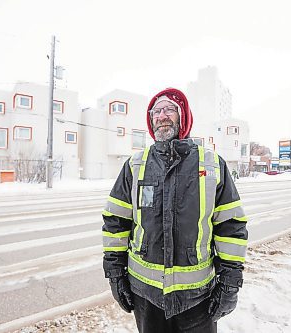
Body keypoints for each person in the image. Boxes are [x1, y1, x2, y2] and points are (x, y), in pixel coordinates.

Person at [102, 88, 248, 333]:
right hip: (146, 296)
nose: (161, 115)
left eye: (169, 109)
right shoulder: (135, 166)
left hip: (198, 298)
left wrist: (230, 283)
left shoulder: (212, 164)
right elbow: (116, 223)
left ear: (184, 117)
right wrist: (115, 274)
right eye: (156, 111)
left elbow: (231, 227)